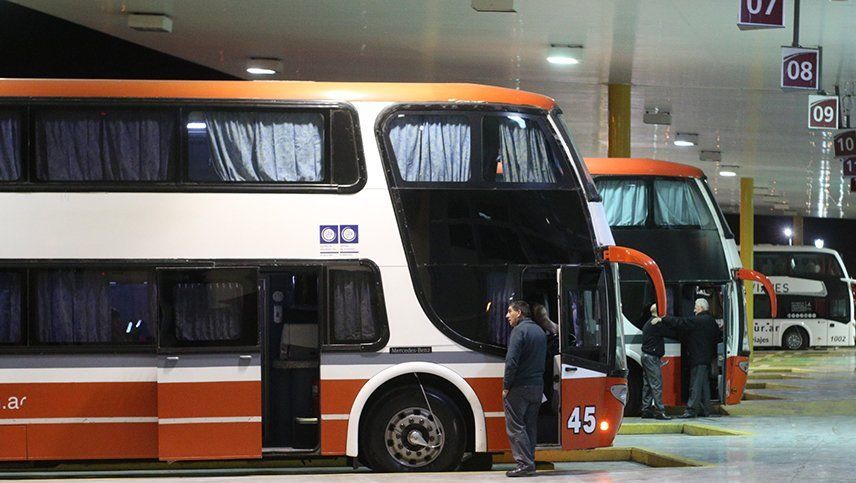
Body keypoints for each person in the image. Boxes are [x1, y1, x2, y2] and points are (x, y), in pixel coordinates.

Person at [652, 298, 722, 418]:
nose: (694, 309)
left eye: (695, 307)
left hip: (698, 358)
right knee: (704, 385)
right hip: (707, 358)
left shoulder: (699, 320)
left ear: (701, 308)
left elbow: (681, 322)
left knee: (695, 384)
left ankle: (691, 410)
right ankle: (705, 409)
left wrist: (663, 319)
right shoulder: (711, 321)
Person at [503, 300, 547, 478]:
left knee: (515, 427)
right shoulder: (539, 331)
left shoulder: (519, 331)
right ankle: (530, 460)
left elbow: (511, 361)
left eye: (510, 311)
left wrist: (506, 386)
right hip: (537, 387)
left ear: (519, 312)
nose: (507, 315)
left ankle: (524, 464)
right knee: (530, 426)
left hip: (520, 387)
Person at [640, 303, 674, 420]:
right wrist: (664, 320)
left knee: (648, 385)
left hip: (646, 356)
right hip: (651, 358)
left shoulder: (648, 323)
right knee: (656, 384)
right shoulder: (656, 324)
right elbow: (671, 333)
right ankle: (660, 411)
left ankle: (646, 409)